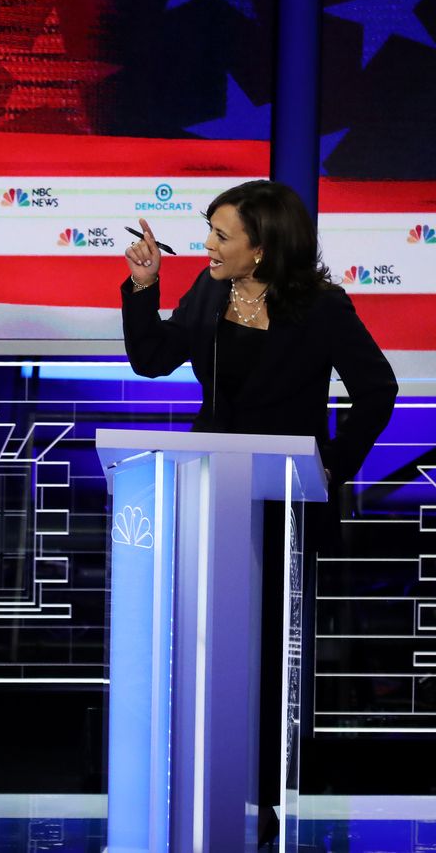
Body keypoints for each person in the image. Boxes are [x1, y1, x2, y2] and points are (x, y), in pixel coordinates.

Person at [120, 179, 397, 846]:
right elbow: (153, 359)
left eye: (222, 235)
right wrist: (144, 286)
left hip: (285, 503)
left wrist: (334, 464)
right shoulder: (212, 291)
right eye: (210, 231)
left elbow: (377, 388)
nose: (209, 245)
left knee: (268, 650)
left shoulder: (323, 308)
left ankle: (266, 794)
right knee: (200, 640)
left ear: (262, 247)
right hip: (208, 493)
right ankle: (194, 775)